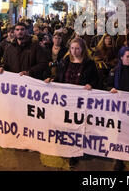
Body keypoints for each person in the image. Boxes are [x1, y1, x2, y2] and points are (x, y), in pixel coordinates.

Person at [45, 37, 99, 170]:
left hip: (80, 102)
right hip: (66, 101)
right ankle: (66, 148)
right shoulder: (65, 62)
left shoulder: (89, 64)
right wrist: (51, 80)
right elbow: (59, 78)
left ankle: (74, 154)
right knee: (65, 126)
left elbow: (97, 81)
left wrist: (91, 85)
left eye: (77, 48)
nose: (74, 51)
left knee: (77, 127)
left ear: (82, 49)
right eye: (72, 48)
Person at [107, 47, 129, 171]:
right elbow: (107, 84)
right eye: (127, 56)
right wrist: (110, 89)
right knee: (119, 135)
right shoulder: (115, 71)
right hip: (118, 108)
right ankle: (119, 159)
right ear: (121, 57)